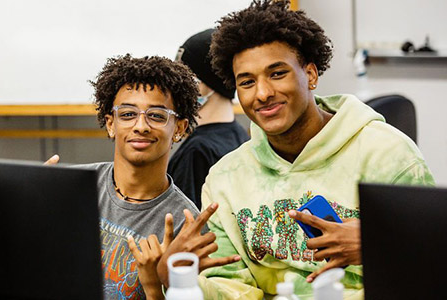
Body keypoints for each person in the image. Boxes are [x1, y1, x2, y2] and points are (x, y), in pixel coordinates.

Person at [154, 1, 436, 299]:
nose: (262, 93)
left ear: (311, 75)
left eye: (277, 74)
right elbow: (228, 285)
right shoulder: (226, 178)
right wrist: (176, 277)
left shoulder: (388, 154)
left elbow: (431, 264)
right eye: (247, 82)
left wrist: (376, 245)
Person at [49, 54, 237, 300]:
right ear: (110, 124)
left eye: (157, 115)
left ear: (179, 128)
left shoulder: (184, 228)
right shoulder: (71, 186)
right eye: (127, 114)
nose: (141, 126)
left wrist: (154, 284)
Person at [169, 29, 250, 209]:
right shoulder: (241, 137)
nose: (176, 87)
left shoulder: (197, 152)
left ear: (208, 82)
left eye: (186, 78)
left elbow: (183, 226)